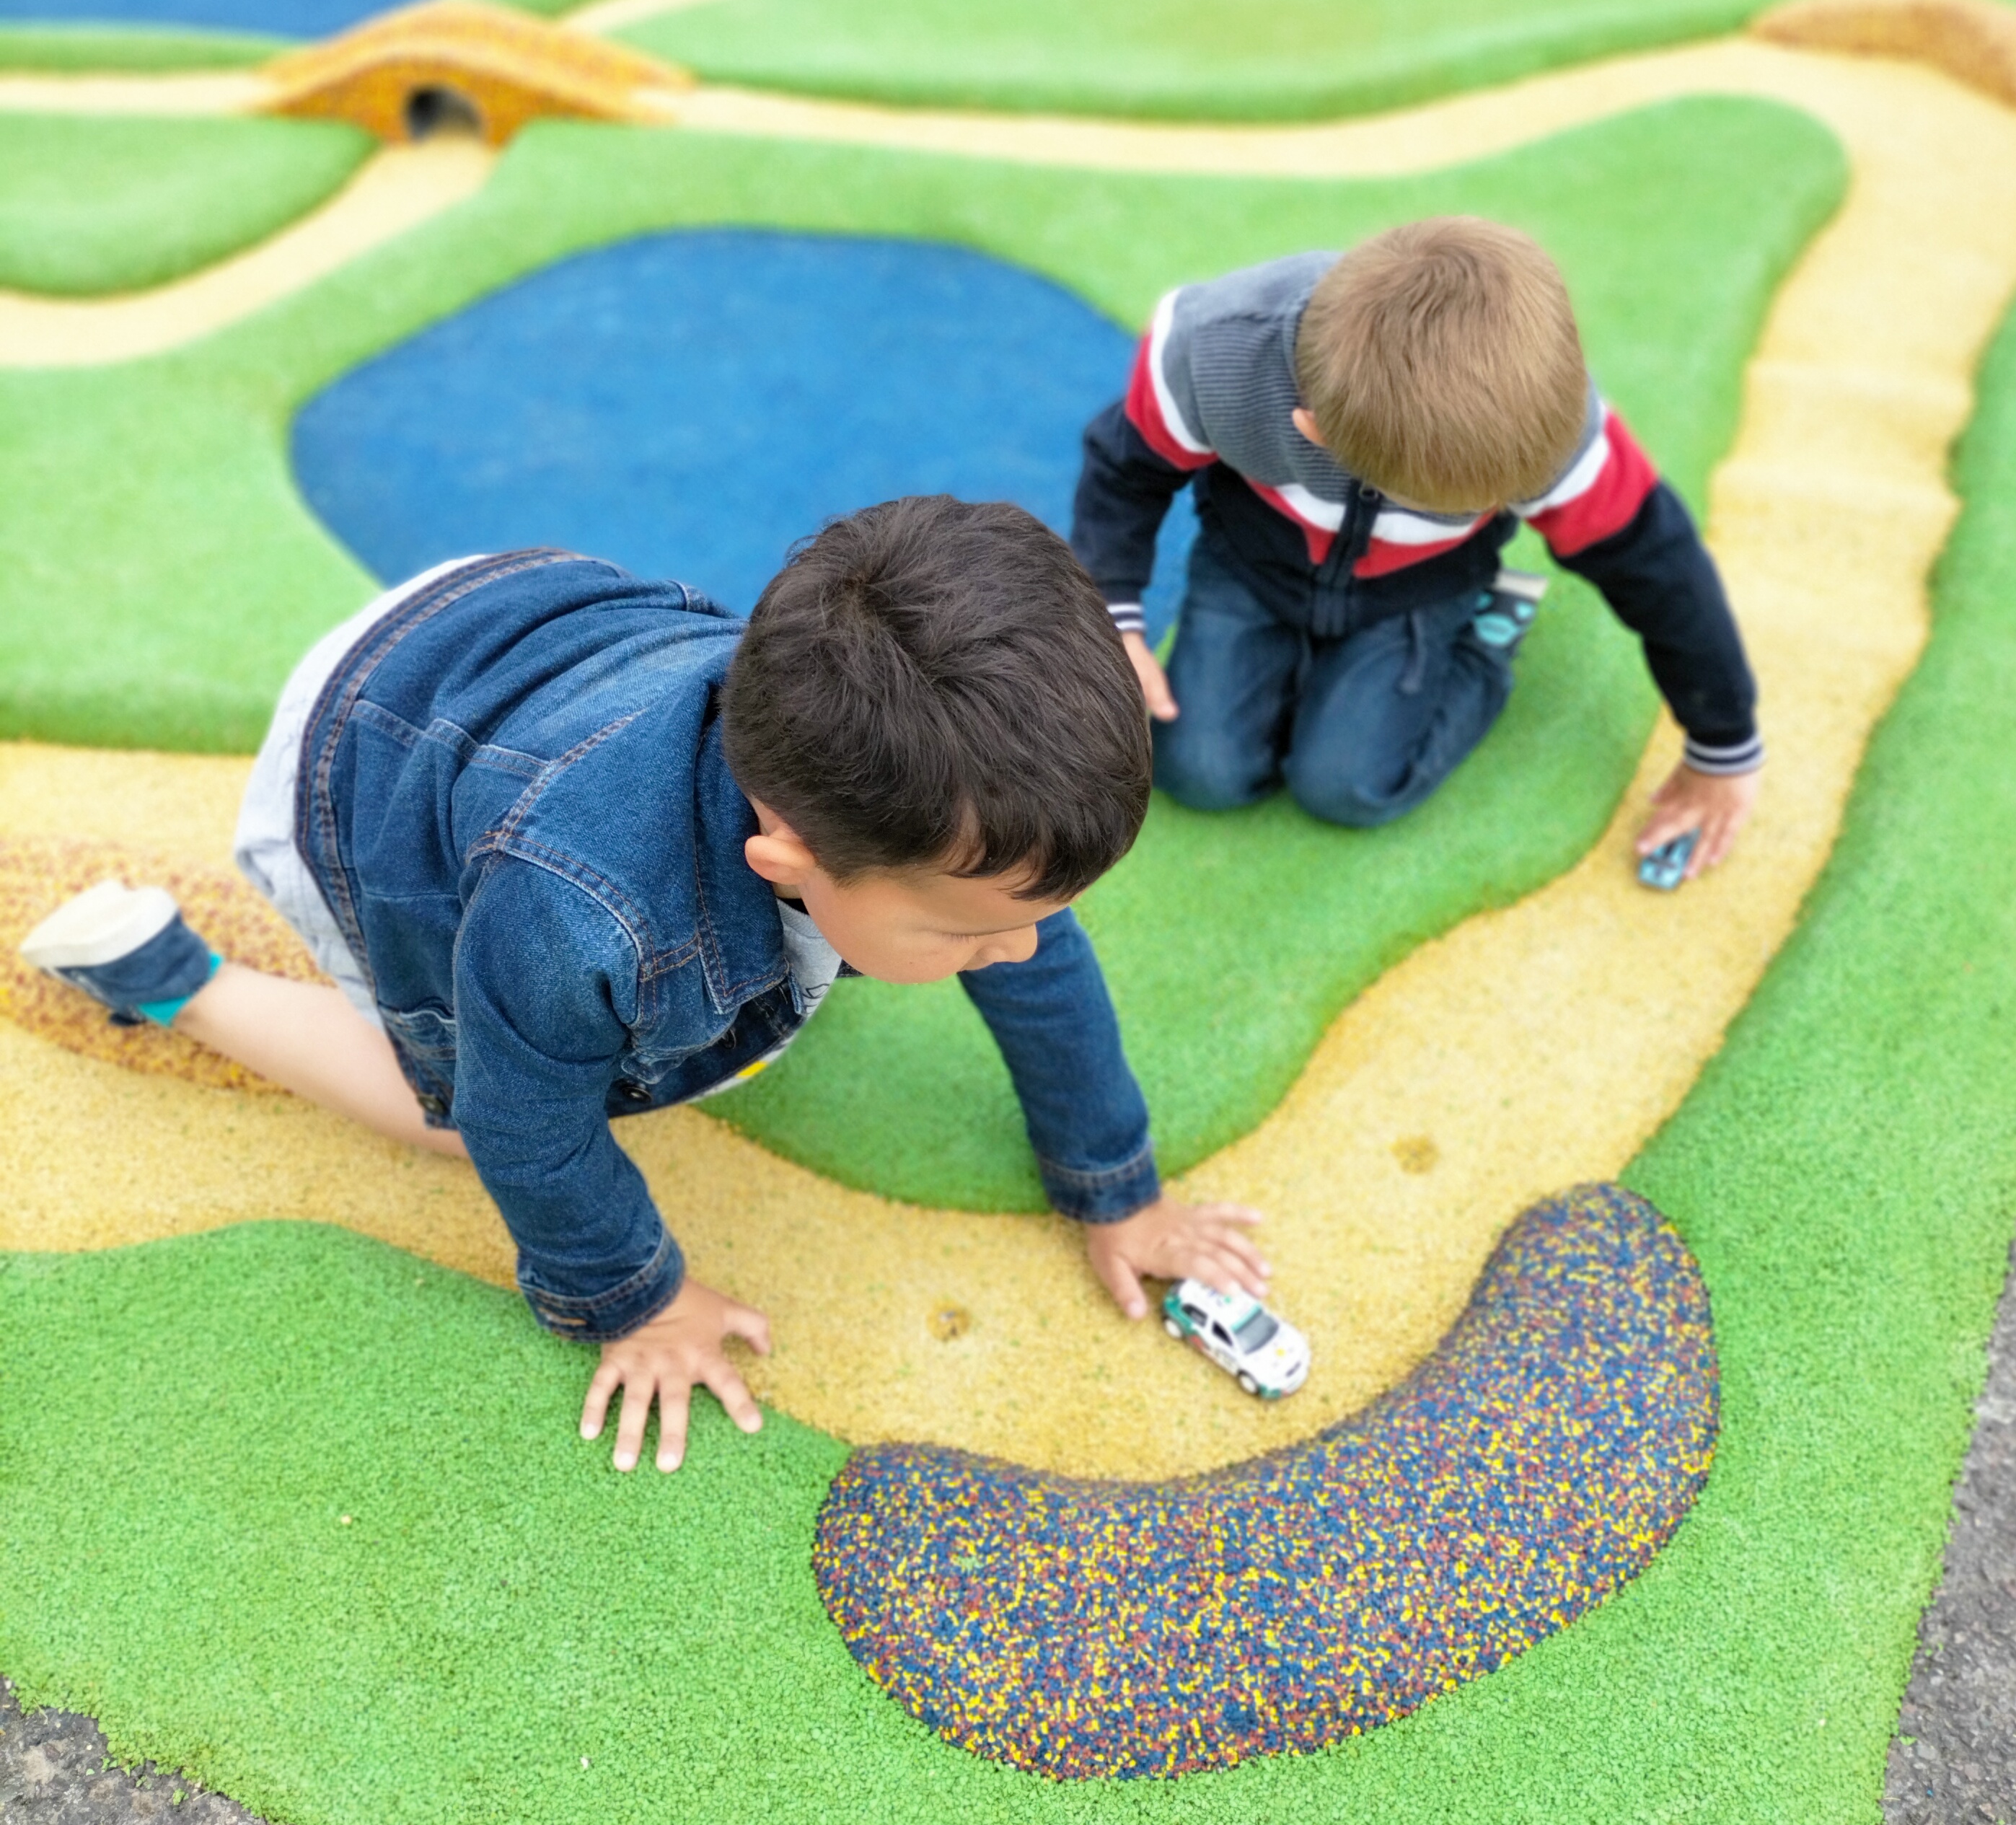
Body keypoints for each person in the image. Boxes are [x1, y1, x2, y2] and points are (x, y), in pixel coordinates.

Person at [17, 503, 1267, 1472]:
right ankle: (172, 975)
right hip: (364, 772)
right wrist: (640, 1298)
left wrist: (1120, 1190)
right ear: (788, 859)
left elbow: (1027, 947)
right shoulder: (575, 919)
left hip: (513, 621)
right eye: (969, 932)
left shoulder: (902, 779)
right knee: (460, 1114)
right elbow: (524, 1126)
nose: (1017, 950)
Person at [1071, 216, 1762, 866]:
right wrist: (1116, 622)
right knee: (1200, 773)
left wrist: (1722, 747)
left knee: (1345, 788)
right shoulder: (1209, 352)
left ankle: (1488, 635)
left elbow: (1660, 568)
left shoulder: (1551, 426)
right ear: (1319, 436)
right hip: (1252, 564)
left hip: (1419, 589)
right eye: (1468, 503)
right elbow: (1124, 472)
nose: (1504, 509)